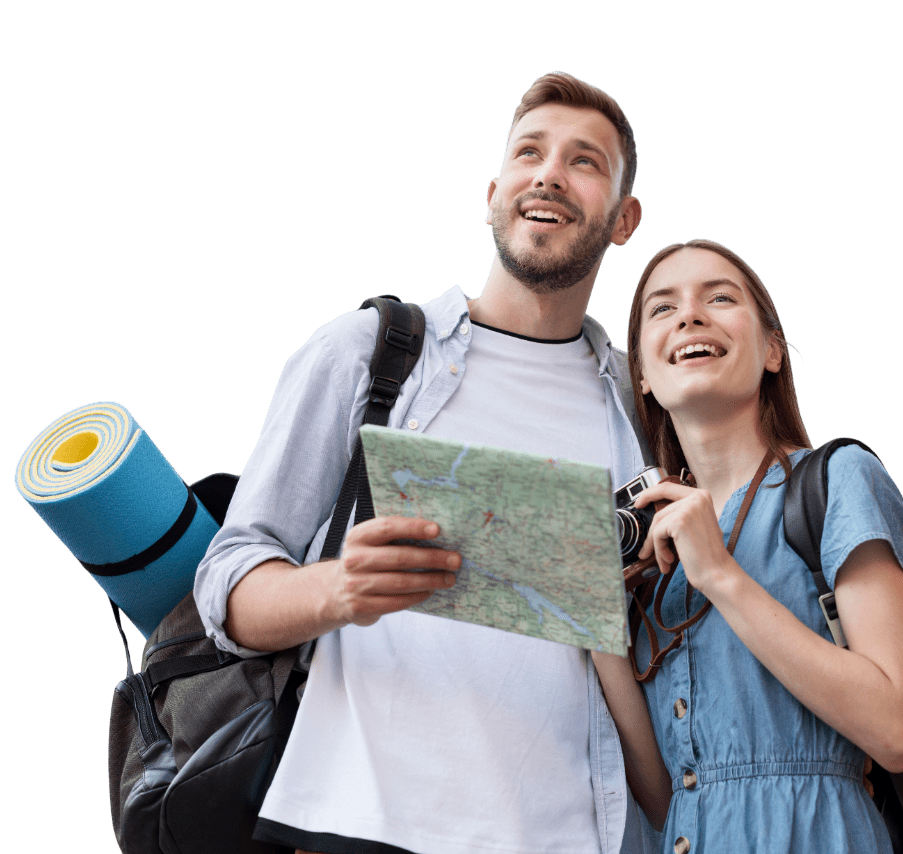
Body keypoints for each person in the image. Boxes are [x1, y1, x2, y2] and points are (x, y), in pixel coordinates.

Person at [194, 72, 666, 854]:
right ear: (494, 193)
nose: (548, 172)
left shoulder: (642, 405)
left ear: (624, 220)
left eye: (584, 161)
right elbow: (227, 582)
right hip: (348, 824)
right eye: (528, 153)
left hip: (569, 839)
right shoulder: (370, 355)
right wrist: (337, 587)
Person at [618, 239, 903, 853]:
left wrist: (721, 576)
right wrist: (591, 616)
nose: (690, 316)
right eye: (663, 308)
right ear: (643, 379)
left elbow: (899, 728)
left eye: (721, 298)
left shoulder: (838, 481)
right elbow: (665, 798)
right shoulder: (651, 552)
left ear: (772, 351)